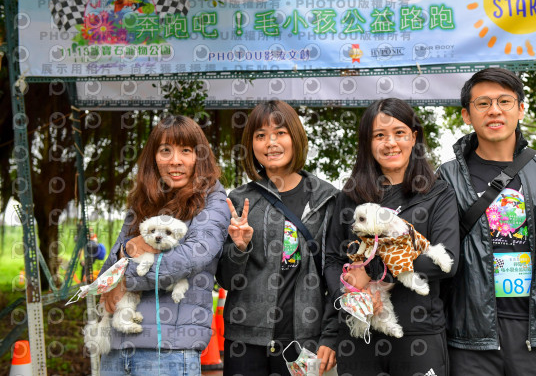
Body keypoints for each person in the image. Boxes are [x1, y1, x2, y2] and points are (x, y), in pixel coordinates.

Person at [438, 67, 536, 375]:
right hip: (470, 339)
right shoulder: (447, 176)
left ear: (521, 109)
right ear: (466, 115)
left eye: (504, 101)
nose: (494, 110)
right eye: (483, 103)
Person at [324, 98, 460, 376]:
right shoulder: (350, 197)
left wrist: (374, 271)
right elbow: (332, 260)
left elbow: (447, 262)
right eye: (379, 135)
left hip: (419, 334)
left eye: (399, 133)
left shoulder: (438, 193)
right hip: (359, 334)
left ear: (414, 137)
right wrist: (352, 296)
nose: (390, 143)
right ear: (367, 142)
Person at [98, 115, 230, 375]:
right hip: (116, 347)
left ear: (199, 157)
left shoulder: (213, 200)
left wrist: (123, 280)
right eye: (165, 150)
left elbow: (187, 259)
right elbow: (107, 270)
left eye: (186, 151)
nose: (175, 160)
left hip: (169, 352)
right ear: (154, 157)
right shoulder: (142, 201)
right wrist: (127, 250)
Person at [216, 100, 338, 376]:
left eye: (280, 133)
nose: (271, 143)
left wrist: (330, 336)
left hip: (305, 340)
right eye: (261, 135)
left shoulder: (327, 199)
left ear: (295, 137)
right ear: (252, 145)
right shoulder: (239, 200)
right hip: (246, 341)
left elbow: (339, 275)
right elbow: (226, 280)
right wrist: (239, 248)